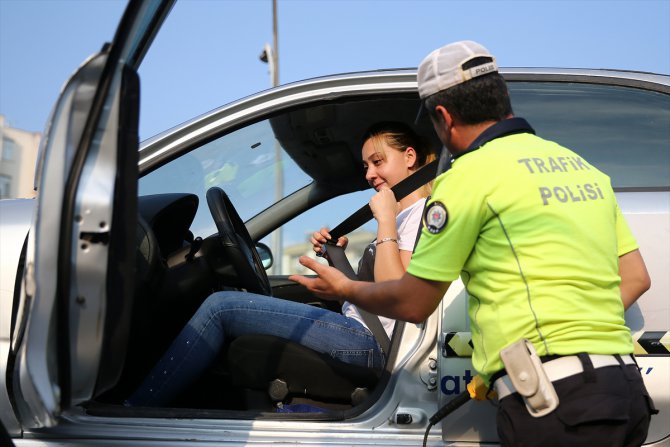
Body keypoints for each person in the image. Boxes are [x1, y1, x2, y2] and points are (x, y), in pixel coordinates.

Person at [290, 41, 656, 446]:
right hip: (625, 388)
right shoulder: (583, 169)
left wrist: (343, 288)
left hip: (556, 403)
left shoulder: (467, 179)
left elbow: (414, 303)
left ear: (443, 117)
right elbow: (636, 277)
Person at [126, 121, 436, 407]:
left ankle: (136, 409)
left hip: (372, 344)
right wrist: (336, 260)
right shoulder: (401, 217)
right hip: (364, 329)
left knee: (221, 307)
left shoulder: (420, 213)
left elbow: (395, 292)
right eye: (366, 165)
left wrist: (384, 222)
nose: (369, 174)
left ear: (409, 157)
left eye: (378, 162)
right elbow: (373, 298)